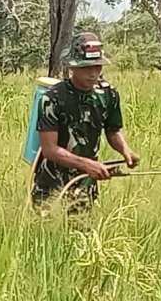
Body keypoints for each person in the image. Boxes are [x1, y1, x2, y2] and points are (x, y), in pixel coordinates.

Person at [31, 32, 139, 214]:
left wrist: (125, 150)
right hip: (52, 183)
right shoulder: (53, 98)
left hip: (86, 183)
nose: (93, 73)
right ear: (73, 67)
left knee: (82, 234)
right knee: (46, 237)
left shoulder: (108, 94)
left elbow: (113, 131)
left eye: (97, 67)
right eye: (87, 67)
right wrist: (87, 164)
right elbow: (49, 149)